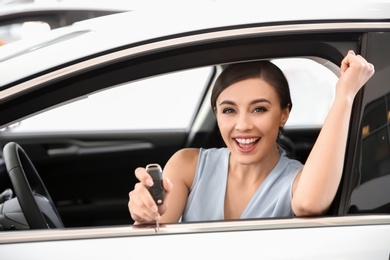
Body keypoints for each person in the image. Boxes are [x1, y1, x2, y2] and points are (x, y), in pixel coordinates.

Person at [128, 50, 375, 224]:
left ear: (284, 114)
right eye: (229, 110)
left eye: (259, 109)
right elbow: (155, 235)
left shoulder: (297, 182)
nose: (243, 125)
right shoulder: (187, 166)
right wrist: (146, 213)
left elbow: (309, 204)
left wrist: (345, 94)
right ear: (216, 114)